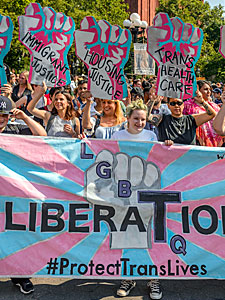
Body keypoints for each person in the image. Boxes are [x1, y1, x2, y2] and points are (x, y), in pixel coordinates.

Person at [111, 100, 161, 300]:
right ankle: (128, 277)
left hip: (147, 191)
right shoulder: (117, 136)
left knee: (150, 235)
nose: (139, 122)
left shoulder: (151, 136)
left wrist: (167, 146)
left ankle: (154, 279)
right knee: (127, 235)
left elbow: (160, 159)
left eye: (143, 119)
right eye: (136, 119)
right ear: (128, 119)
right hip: (123, 194)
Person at [0, 94, 47, 294]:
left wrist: (25, 118)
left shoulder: (16, 130)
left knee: (14, 234)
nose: (1, 119)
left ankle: (19, 275)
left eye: (4, 115)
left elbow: (43, 137)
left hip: (11, 197)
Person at [148, 90, 216, 145]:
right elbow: (146, 117)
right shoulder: (162, 119)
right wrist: (152, 100)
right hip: (168, 159)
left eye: (179, 103)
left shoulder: (191, 119)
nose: (176, 106)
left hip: (188, 159)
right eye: (173, 103)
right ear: (168, 106)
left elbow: (212, 114)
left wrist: (202, 101)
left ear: (183, 105)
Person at [183, 80, 223, 147]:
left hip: (214, 145)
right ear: (197, 90)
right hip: (195, 144)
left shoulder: (214, 106)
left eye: (210, 89)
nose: (209, 92)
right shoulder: (187, 106)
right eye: (205, 89)